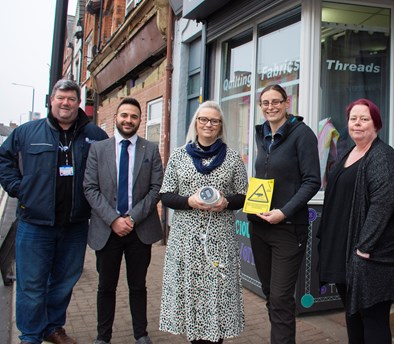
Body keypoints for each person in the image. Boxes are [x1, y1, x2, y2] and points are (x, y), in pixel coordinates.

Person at [0, 79, 108, 344]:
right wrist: (19, 189)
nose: (65, 103)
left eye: (71, 99)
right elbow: (4, 161)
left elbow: (109, 172)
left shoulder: (94, 136)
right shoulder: (27, 133)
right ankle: (30, 336)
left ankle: (53, 327)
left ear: (78, 103)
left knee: (64, 281)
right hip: (35, 224)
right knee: (32, 285)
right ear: (51, 100)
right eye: (61, 98)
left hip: (75, 225)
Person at [317, 98, 394, 344]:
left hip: (372, 256)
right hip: (345, 251)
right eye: (353, 119)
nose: (357, 124)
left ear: (376, 124)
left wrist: (363, 248)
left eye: (364, 119)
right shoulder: (349, 153)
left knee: (373, 317)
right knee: (353, 314)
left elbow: (385, 204)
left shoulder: (383, 157)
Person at [158, 100, 247, 344]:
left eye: (214, 121)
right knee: (192, 298)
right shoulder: (178, 156)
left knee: (217, 298)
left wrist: (226, 202)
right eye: (203, 119)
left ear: (220, 126)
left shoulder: (232, 158)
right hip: (186, 243)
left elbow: (242, 195)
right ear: (196, 123)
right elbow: (166, 195)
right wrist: (189, 202)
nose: (208, 124)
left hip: (219, 241)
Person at [83, 97, 164, 344]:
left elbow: (156, 187)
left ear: (140, 120)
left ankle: (141, 334)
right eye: (124, 115)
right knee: (106, 287)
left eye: (134, 116)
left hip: (140, 230)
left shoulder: (150, 149)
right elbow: (90, 188)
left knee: (138, 286)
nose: (128, 120)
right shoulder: (98, 149)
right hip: (107, 231)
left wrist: (132, 218)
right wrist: (114, 220)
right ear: (116, 117)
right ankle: (103, 337)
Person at [248, 84, 321, 344]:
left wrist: (284, 211)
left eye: (275, 102)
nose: (270, 107)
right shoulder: (262, 134)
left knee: (280, 296)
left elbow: (312, 181)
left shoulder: (303, 135)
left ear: (286, 102)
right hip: (260, 227)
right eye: (265, 103)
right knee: (271, 293)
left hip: (289, 227)